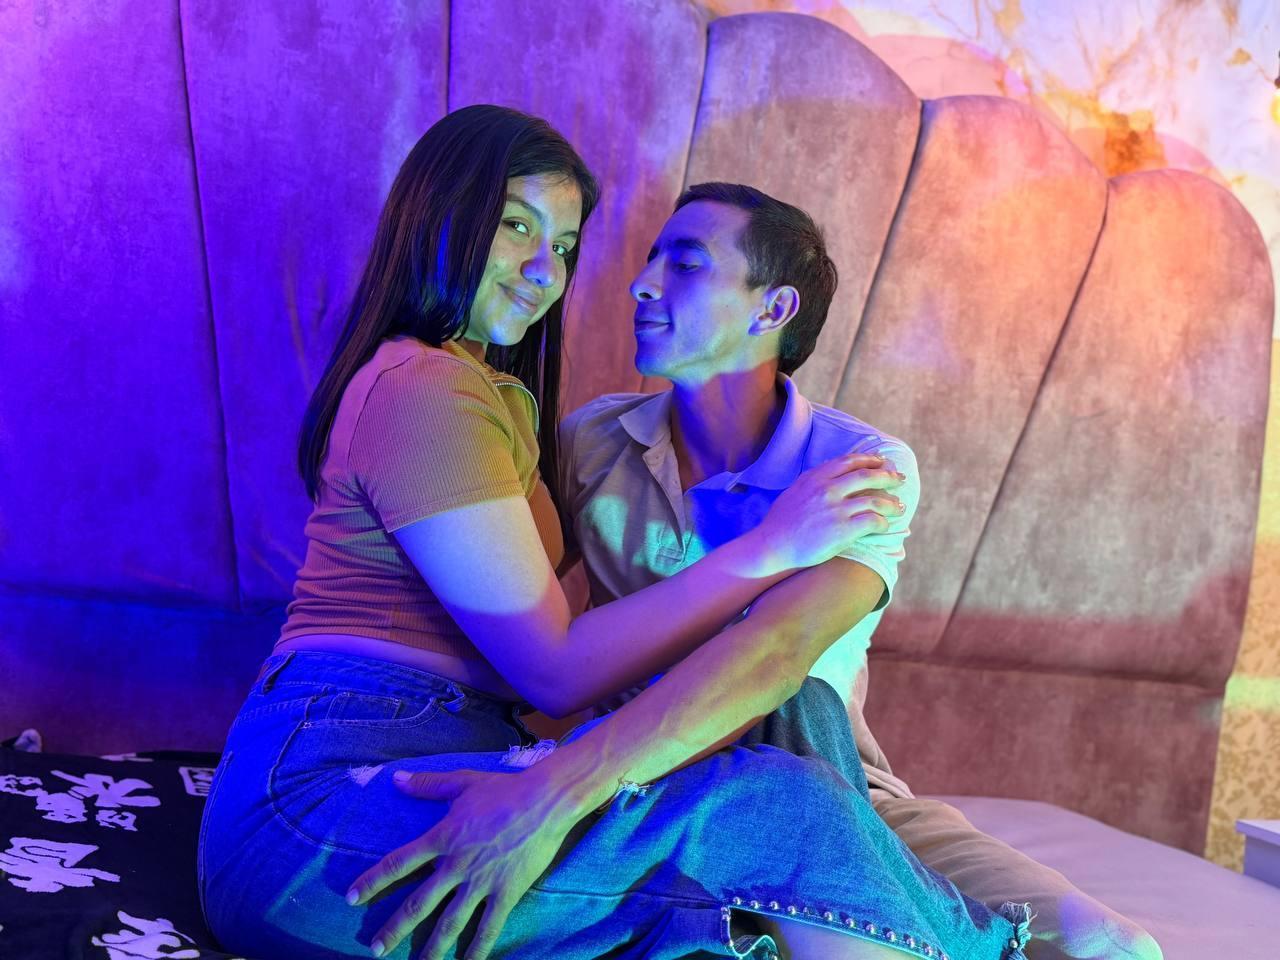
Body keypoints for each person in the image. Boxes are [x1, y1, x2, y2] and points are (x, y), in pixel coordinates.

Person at [198, 105, 1028, 960]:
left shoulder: (500, 402)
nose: (546, 270)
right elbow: (553, 668)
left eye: (562, 245)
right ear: (440, 215)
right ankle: (994, 946)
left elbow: (773, 659)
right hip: (329, 788)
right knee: (781, 812)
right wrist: (769, 549)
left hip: (447, 750)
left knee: (772, 813)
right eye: (517, 225)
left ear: (772, 309)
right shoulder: (426, 389)